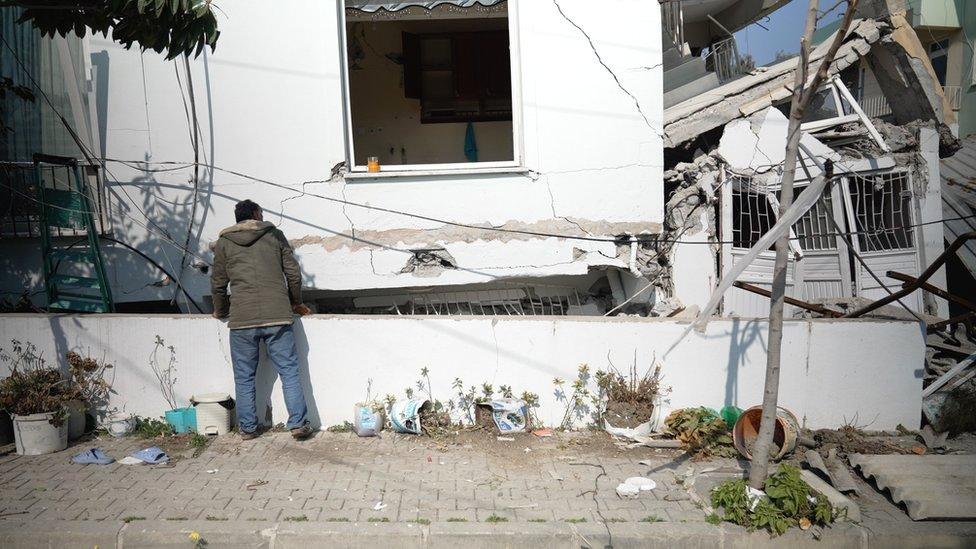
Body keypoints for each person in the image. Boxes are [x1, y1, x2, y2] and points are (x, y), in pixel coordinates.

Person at [211, 199, 314, 440]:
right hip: (277, 315)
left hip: (242, 319)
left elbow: (217, 283)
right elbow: (293, 273)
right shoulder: (275, 235)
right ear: (257, 214)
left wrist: (220, 310)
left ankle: (248, 428)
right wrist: (295, 301)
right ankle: (298, 425)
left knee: (244, 376)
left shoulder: (224, 243)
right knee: (289, 371)